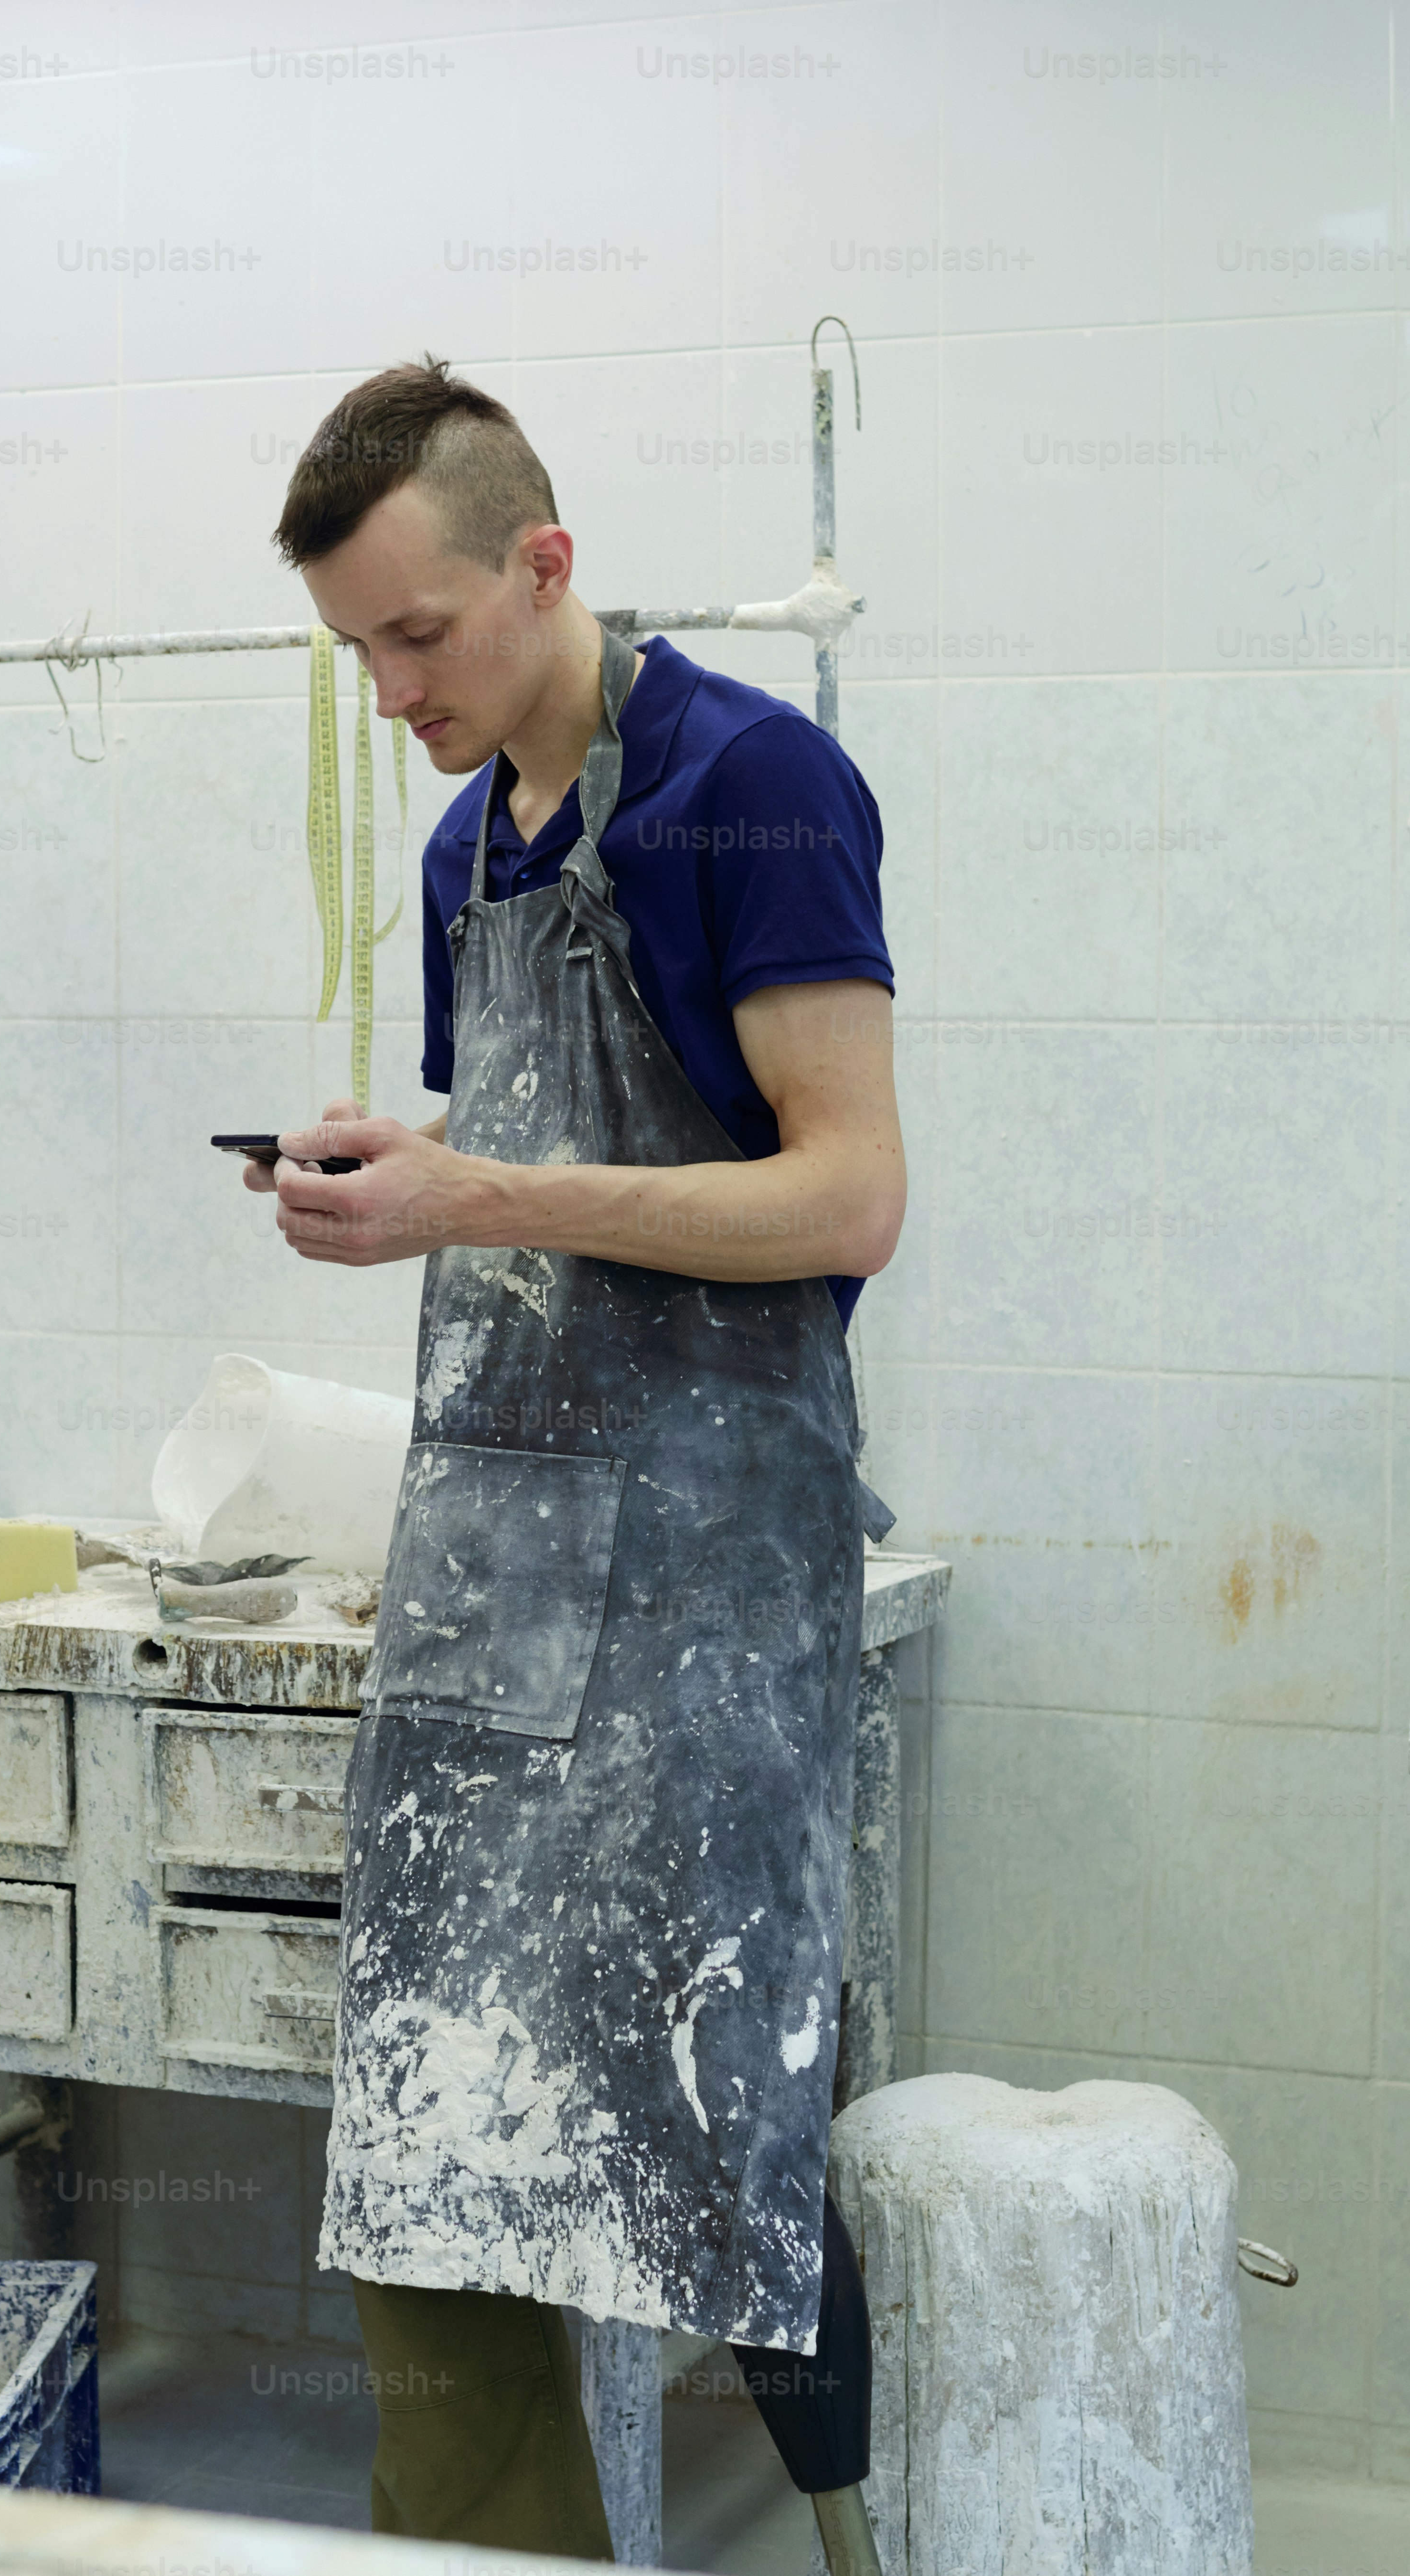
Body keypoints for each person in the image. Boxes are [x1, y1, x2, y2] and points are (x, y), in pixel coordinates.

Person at [247, 358, 903, 2571]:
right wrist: (394, 1165)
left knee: (718, 2126)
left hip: (710, 1596)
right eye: (355, 652)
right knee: (425, 2143)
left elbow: (841, 1200)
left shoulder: (753, 789)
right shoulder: (462, 854)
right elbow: (540, 1152)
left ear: (543, 561)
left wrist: (474, 1195)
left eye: (416, 636)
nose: (388, 691)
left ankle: (858, 2538)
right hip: (500, 1582)